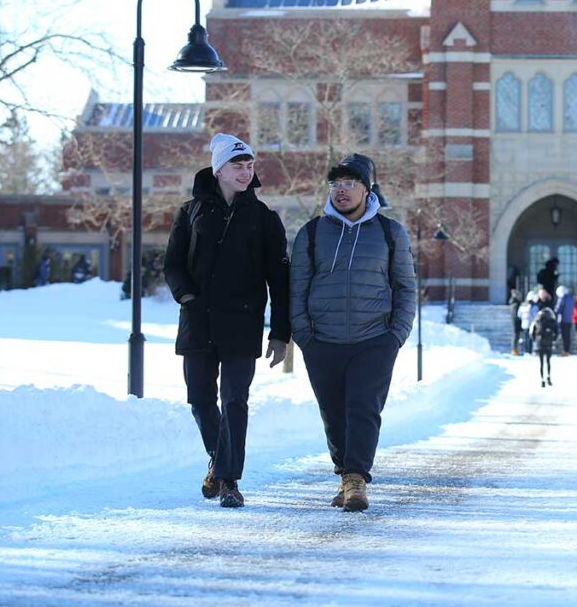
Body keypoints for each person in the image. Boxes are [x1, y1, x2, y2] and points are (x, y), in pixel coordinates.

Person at [164, 133, 290, 509]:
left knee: (235, 400)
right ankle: (220, 463)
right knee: (200, 400)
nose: (245, 171)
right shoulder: (189, 213)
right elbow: (172, 264)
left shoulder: (265, 218)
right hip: (198, 322)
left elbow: (279, 280)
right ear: (218, 170)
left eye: (250, 166)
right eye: (237, 165)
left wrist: (281, 332)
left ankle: (229, 480)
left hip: (242, 323)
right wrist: (187, 296)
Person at [290, 153, 416, 513]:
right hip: (323, 340)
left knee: (363, 408)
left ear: (367, 189)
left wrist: (396, 335)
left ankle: (357, 479)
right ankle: (345, 476)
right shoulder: (312, 233)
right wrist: (305, 336)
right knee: (333, 413)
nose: (341, 191)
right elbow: (296, 289)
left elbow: (405, 287)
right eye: (335, 184)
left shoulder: (390, 233)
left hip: (374, 338)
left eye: (349, 183)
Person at [529, 305, 558, 388]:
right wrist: (553, 339)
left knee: (541, 363)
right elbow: (556, 332)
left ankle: (542, 379)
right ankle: (549, 376)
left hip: (540, 343)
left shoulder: (537, 320)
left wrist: (535, 340)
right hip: (549, 342)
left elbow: (532, 333)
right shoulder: (552, 320)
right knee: (548, 361)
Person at [555, 285, 575, 356]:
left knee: (563, 336)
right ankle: (567, 350)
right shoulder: (571, 299)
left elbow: (558, 309)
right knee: (567, 336)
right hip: (570, 320)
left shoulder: (562, 299)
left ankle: (564, 350)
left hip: (562, 320)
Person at [518, 290, 536, 355]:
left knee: (525, 337)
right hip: (531, 324)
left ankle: (525, 350)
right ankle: (529, 350)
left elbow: (519, 314)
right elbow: (535, 315)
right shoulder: (534, 306)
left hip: (524, 324)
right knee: (530, 338)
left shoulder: (523, 305)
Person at [508, 288, 523, 356]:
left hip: (516, 322)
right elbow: (515, 315)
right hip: (515, 322)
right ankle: (514, 350)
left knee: (516, 336)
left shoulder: (514, 303)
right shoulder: (515, 304)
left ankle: (515, 349)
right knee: (515, 336)